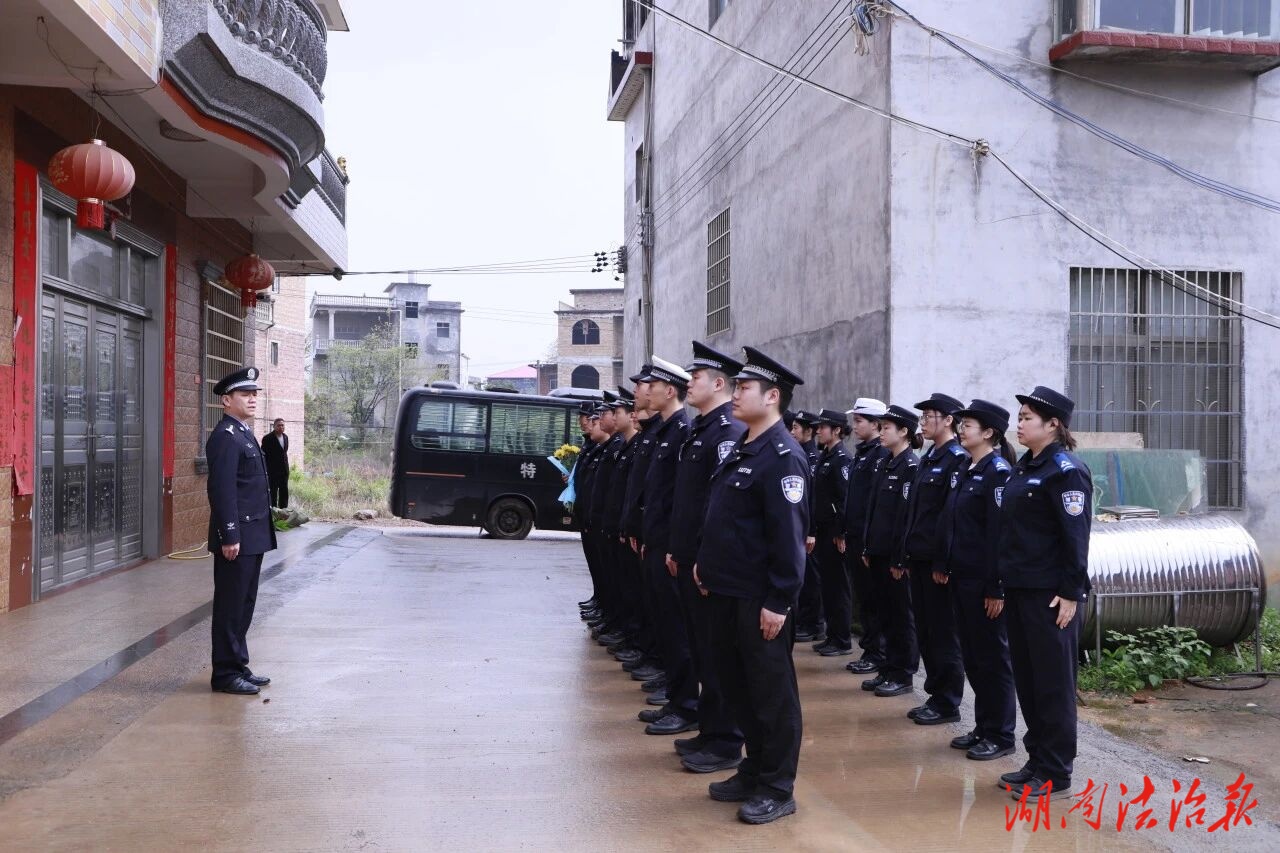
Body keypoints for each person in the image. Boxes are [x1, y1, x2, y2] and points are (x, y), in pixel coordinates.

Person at [695, 346, 808, 826]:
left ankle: (777, 787)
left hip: (760, 599)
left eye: (744, 388)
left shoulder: (783, 457)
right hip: (725, 592)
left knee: (771, 695)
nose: (736, 394)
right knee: (736, 686)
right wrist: (705, 565)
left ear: (772, 396)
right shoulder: (744, 446)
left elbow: (789, 539)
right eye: (737, 386)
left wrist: (779, 601)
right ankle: (754, 769)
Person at [999, 386, 1092, 801]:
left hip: (1050, 597)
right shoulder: (1023, 468)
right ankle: (1037, 760)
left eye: (1027, 418)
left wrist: (1071, 592)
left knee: (1053, 685)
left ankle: (1056, 772)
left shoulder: (1065, 471)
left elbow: (1076, 538)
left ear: (1053, 424)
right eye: (1019, 417)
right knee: (1030, 681)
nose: (1019, 424)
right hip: (1020, 589)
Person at [667, 341, 747, 773]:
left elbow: (718, 507)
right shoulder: (701, 429)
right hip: (688, 558)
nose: (689, 383)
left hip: (706, 565)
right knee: (702, 650)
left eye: (695, 377)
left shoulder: (726, 433)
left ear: (718, 384)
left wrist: (701, 558)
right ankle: (709, 730)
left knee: (717, 657)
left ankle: (725, 741)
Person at [939, 399, 1017, 761]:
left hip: (984, 583)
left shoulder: (997, 472)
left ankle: (1001, 734)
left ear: (988, 433)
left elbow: (999, 533)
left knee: (992, 658)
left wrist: (996, 586)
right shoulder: (966, 468)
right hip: (962, 577)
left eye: (968, 425)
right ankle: (984, 726)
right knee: (973, 655)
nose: (961, 430)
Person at [635, 356, 696, 735]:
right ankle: (676, 697)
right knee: (665, 624)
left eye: (653, 386)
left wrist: (673, 546)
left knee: (677, 627)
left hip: (671, 547)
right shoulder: (664, 431)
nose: (647, 392)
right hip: (657, 542)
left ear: (670, 391)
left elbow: (681, 500)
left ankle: (686, 704)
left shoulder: (682, 432)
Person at [206, 367, 277, 695]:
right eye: (244, 394)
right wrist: (230, 534)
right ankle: (224, 674)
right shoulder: (225, 436)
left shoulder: (243, 433)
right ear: (226, 400)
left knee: (244, 604)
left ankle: (237, 665)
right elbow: (222, 491)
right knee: (230, 606)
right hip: (238, 538)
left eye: (254, 394)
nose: (252, 399)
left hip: (253, 535)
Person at [899, 393, 969, 726]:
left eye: (929, 416)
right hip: (919, 557)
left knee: (943, 632)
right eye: (923, 417)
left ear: (948, 420)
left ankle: (948, 700)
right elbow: (916, 512)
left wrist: (943, 561)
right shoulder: (929, 457)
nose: (923, 423)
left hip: (936, 562)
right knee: (926, 630)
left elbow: (950, 517)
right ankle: (935, 694)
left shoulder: (956, 459)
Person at [859, 405, 921, 698]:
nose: (881, 432)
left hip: (895, 557)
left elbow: (905, 518)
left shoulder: (910, 466)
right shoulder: (886, 462)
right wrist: (868, 546)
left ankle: (903, 673)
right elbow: (874, 510)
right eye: (881, 427)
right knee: (884, 613)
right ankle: (887, 667)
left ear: (904, 432)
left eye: (886, 428)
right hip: (878, 552)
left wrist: (900, 557)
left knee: (900, 617)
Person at [838, 398, 890, 675]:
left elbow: (874, 503)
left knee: (874, 600)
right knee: (864, 598)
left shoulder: (880, 455)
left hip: (868, 538)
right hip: (856, 536)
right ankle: (870, 650)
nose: (854, 426)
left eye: (859, 421)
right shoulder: (863, 453)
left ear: (876, 424)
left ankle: (877, 652)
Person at [809, 409, 854, 656]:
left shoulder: (841, 459)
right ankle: (832, 635)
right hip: (823, 529)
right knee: (827, 585)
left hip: (834, 532)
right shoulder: (826, 456)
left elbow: (844, 498)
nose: (818, 431)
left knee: (838, 587)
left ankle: (842, 639)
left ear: (836, 430)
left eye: (823, 427)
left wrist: (841, 532)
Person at [790, 410, 826, 644]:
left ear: (809, 431)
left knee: (812, 579)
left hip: (812, 530)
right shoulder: (801, 453)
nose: (792, 432)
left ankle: (814, 624)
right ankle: (805, 621)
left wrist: (811, 531)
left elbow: (813, 498)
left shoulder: (812, 457)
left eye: (796, 428)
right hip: (803, 527)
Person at [260, 418, 290, 508]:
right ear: (274, 426)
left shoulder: (285, 437)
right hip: (273, 471)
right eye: (279, 425)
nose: (281, 427)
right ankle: (273, 511)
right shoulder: (267, 438)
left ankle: (284, 511)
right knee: (273, 492)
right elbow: (263, 454)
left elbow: (284, 453)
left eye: (282, 425)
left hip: (284, 470)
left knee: (284, 491)